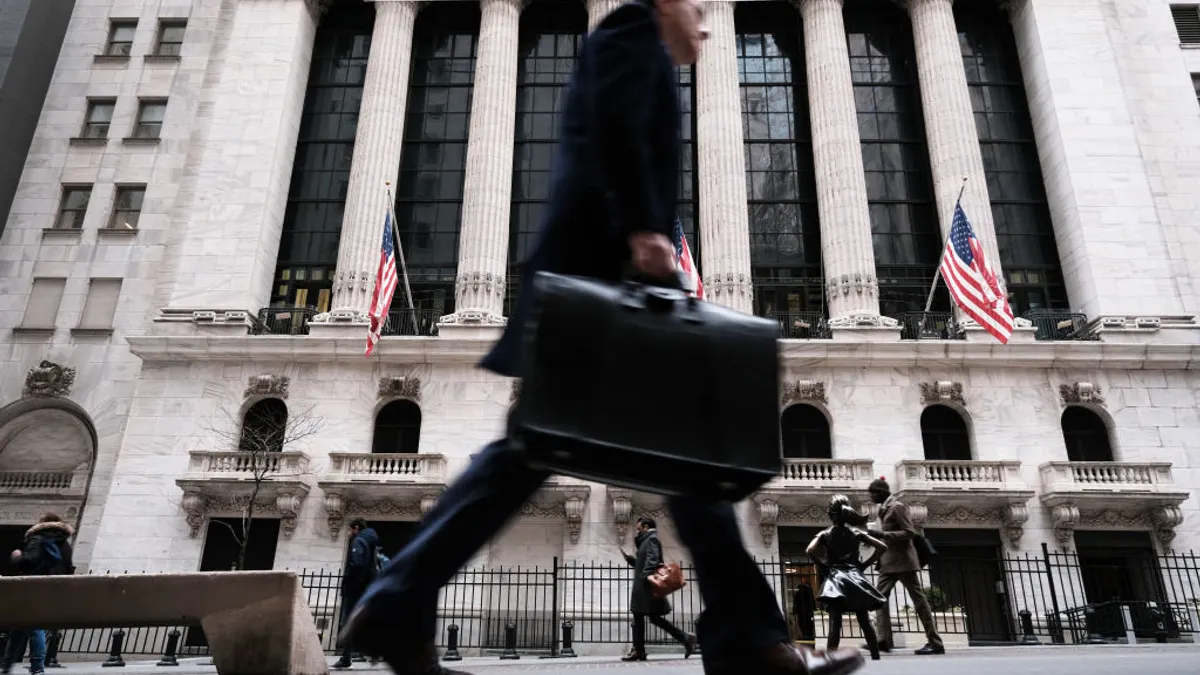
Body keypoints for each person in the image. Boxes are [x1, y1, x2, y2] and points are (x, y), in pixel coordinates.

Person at [338, 2, 864, 675]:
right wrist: (646, 232)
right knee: (660, 457)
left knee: (586, 456)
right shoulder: (628, 30)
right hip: (608, 283)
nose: (705, 23)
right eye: (697, 8)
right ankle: (751, 641)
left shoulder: (642, 43)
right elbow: (612, 134)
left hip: (602, 285)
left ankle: (396, 603)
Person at [865, 477, 944, 655]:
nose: (870, 497)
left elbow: (909, 532)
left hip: (903, 562)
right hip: (888, 562)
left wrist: (883, 533)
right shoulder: (883, 508)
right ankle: (883, 640)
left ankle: (935, 642)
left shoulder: (897, 507)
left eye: (872, 494)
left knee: (919, 602)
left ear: (881, 493)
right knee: (878, 600)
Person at [805, 496, 887, 661]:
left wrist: (822, 566)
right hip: (855, 578)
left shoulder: (825, 533)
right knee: (864, 620)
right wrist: (865, 565)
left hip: (835, 579)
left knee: (835, 623)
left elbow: (809, 550)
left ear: (831, 514)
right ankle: (875, 655)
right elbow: (882, 547)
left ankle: (830, 659)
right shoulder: (857, 532)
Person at [2, 513, 74, 675]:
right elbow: (69, 569)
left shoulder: (38, 538)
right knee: (21, 626)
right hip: (53, 589)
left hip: (33, 588)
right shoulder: (66, 545)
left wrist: (17, 557)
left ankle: (36, 666)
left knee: (33, 626)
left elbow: (29, 562)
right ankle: (7, 664)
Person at [618, 517, 696, 661]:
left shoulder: (651, 540)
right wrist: (631, 560)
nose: (638, 530)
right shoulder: (646, 541)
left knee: (643, 616)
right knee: (647, 617)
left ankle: (641, 650)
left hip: (646, 585)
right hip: (645, 584)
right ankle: (684, 638)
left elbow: (653, 560)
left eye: (639, 528)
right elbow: (645, 563)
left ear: (646, 527)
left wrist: (644, 577)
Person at [333, 518, 380, 669]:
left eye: (351, 529)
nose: (349, 533)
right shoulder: (371, 542)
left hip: (356, 588)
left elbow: (357, 564)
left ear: (356, 528)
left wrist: (352, 583)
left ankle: (346, 658)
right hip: (367, 586)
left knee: (348, 621)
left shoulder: (359, 541)